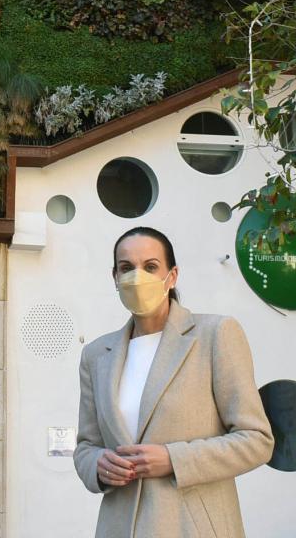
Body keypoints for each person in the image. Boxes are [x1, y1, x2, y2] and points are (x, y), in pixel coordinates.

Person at [75, 227, 274, 538]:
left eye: (150, 266)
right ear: (114, 277)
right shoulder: (97, 354)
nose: (136, 277)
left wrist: (173, 458)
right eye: (126, 268)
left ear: (172, 275)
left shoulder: (215, 335)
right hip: (119, 526)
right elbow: (86, 445)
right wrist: (98, 465)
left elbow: (257, 440)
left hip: (192, 527)